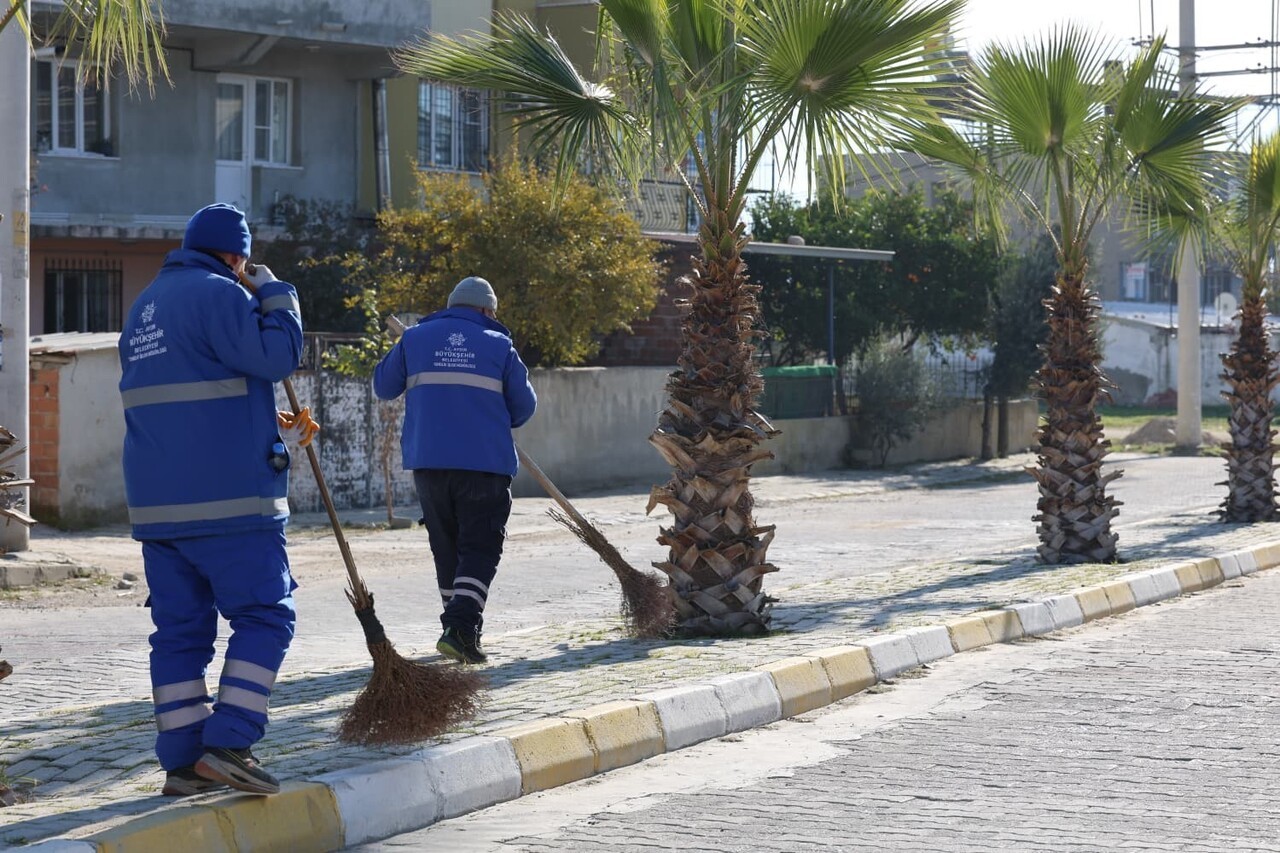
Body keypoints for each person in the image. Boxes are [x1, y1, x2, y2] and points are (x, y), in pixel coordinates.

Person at [118, 203, 312, 796]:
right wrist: (277, 294)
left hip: (157, 509)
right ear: (237, 257)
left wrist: (268, 426)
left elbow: (198, 396)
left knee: (179, 634)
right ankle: (229, 742)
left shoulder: (143, 307)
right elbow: (278, 356)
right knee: (265, 616)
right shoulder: (222, 293)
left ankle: (182, 762)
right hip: (231, 506)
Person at [374, 276, 537, 665]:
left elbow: (383, 386)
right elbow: (524, 408)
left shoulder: (414, 339)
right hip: (484, 464)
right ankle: (462, 629)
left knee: (446, 548)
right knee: (480, 547)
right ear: (486, 311)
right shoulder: (499, 345)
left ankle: (455, 628)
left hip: (429, 465)